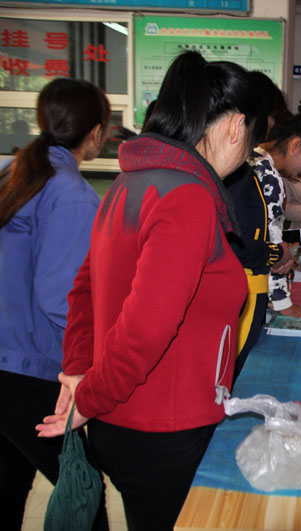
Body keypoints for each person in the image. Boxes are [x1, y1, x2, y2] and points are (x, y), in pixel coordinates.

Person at [36, 51, 267, 530]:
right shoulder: (188, 198)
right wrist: (87, 398)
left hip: (126, 424)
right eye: (251, 143)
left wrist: (79, 373)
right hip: (164, 430)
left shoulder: (131, 183)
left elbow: (83, 291)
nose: (246, 157)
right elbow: (144, 330)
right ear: (235, 126)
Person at [0, 78, 110, 530]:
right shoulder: (71, 194)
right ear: (96, 132)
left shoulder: (13, 172)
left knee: (8, 482)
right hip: (31, 368)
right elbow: (63, 299)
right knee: (82, 491)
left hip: (9, 358)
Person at [226, 97, 301, 351]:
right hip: (250, 284)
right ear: (296, 145)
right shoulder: (268, 174)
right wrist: (283, 302)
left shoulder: (251, 158)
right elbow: (271, 240)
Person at [224, 72, 296, 374]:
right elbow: (238, 241)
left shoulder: (244, 164)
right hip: (243, 284)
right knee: (230, 369)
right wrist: (275, 253)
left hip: (247, 284)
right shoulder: (243, 169)